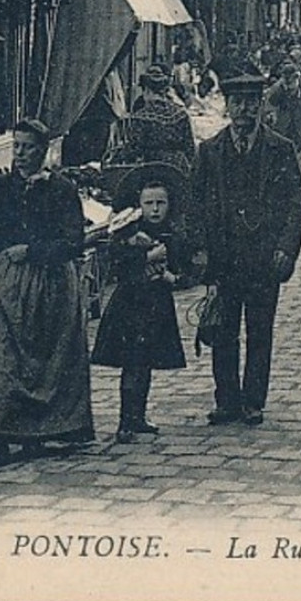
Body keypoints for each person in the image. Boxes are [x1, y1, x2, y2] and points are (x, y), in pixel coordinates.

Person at [0, 119, 93, 464]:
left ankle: (48, 429)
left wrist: (34, 251)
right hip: (8, 284)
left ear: (44, 150)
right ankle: (3, 433)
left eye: (29, 147)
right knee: (4, 358)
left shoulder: (62, 190)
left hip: (52, 281)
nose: (21, 154)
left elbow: (73, 241)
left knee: (52, 356)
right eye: (17, 147)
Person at [193, 75, 301, 427]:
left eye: (251, 101)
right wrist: (199, 251)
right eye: (238, 102)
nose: (245, 108)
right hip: (224, 258)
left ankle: (253, 400)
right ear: (227, 106)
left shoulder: (279, 148)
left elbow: (296, 204)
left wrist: (286, 250)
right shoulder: (210, 151)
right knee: (223, 331)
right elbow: (194, 205)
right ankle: (227, 400)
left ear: (261, 105)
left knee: (260, 331)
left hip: (263, 258)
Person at [90, 171, 189, 444]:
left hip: (157, 305)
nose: (155, 209)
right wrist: (147, 256)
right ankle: (125, 420)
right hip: (131, 305)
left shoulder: (171, 231)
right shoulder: (129, 230)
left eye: (161, 203)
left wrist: (173, 277)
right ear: (139, 205)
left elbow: (182, 266)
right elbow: (118, 263)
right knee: (132, 360)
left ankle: (139, 416)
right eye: (149, 204)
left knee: (145, 362)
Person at [120, 64, 197, 178]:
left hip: (152, 170)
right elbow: (190, 149)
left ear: (147, 90)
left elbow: (133, 150)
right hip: (178, 170)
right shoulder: (181, 114)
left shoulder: (140, 117)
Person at [264, 62, 301, 161]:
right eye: (285, 83)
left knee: (297, 158)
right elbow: (268, 108)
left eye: (290, 84)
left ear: (297, 78)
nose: (288, 88)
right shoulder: (277, 90)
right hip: (282, 130)